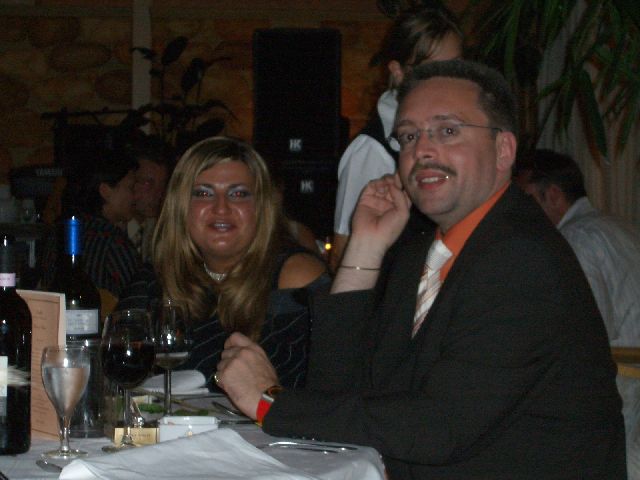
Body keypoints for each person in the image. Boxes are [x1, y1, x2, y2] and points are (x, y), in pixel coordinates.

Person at [216, 60, 626, 478]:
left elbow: (441, 427)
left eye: (447, 131)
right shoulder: (424, 251)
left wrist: (270, 402)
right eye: (409, 136)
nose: (422, 151)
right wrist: (366, 248)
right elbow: (343, 388)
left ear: (503, 150)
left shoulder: (521, 257)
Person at [118, 136, 329, 390]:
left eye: (238, 194)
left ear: (261, 207)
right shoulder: (156, 278)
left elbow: (326, 394)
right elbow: (117, 372)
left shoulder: (295, 278)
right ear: (180, 206)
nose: (221, 208)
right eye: (203, 193)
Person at [523, 148, 640, 473]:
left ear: (553, 195)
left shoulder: (574, 241)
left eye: (527, 199)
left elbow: (589, 331)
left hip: (623, 387)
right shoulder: (618, 225)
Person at [330, 4, 463, 271]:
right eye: (432, 71)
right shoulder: (373, 150)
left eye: (456, 67)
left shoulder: (463, 132)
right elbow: (342, 256)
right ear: (398, 72)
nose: (448, 81)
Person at [41, 149, 143, 298]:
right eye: (131, 187)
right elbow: (137, 298)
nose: (136, 196)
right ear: (105, 191)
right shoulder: (114, 243)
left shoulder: (57, 233)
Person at [127, 136, 173, 263]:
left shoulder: (163, 232)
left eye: (163, 185)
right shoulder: (108, 232)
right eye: (148, 183)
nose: (159, 193)